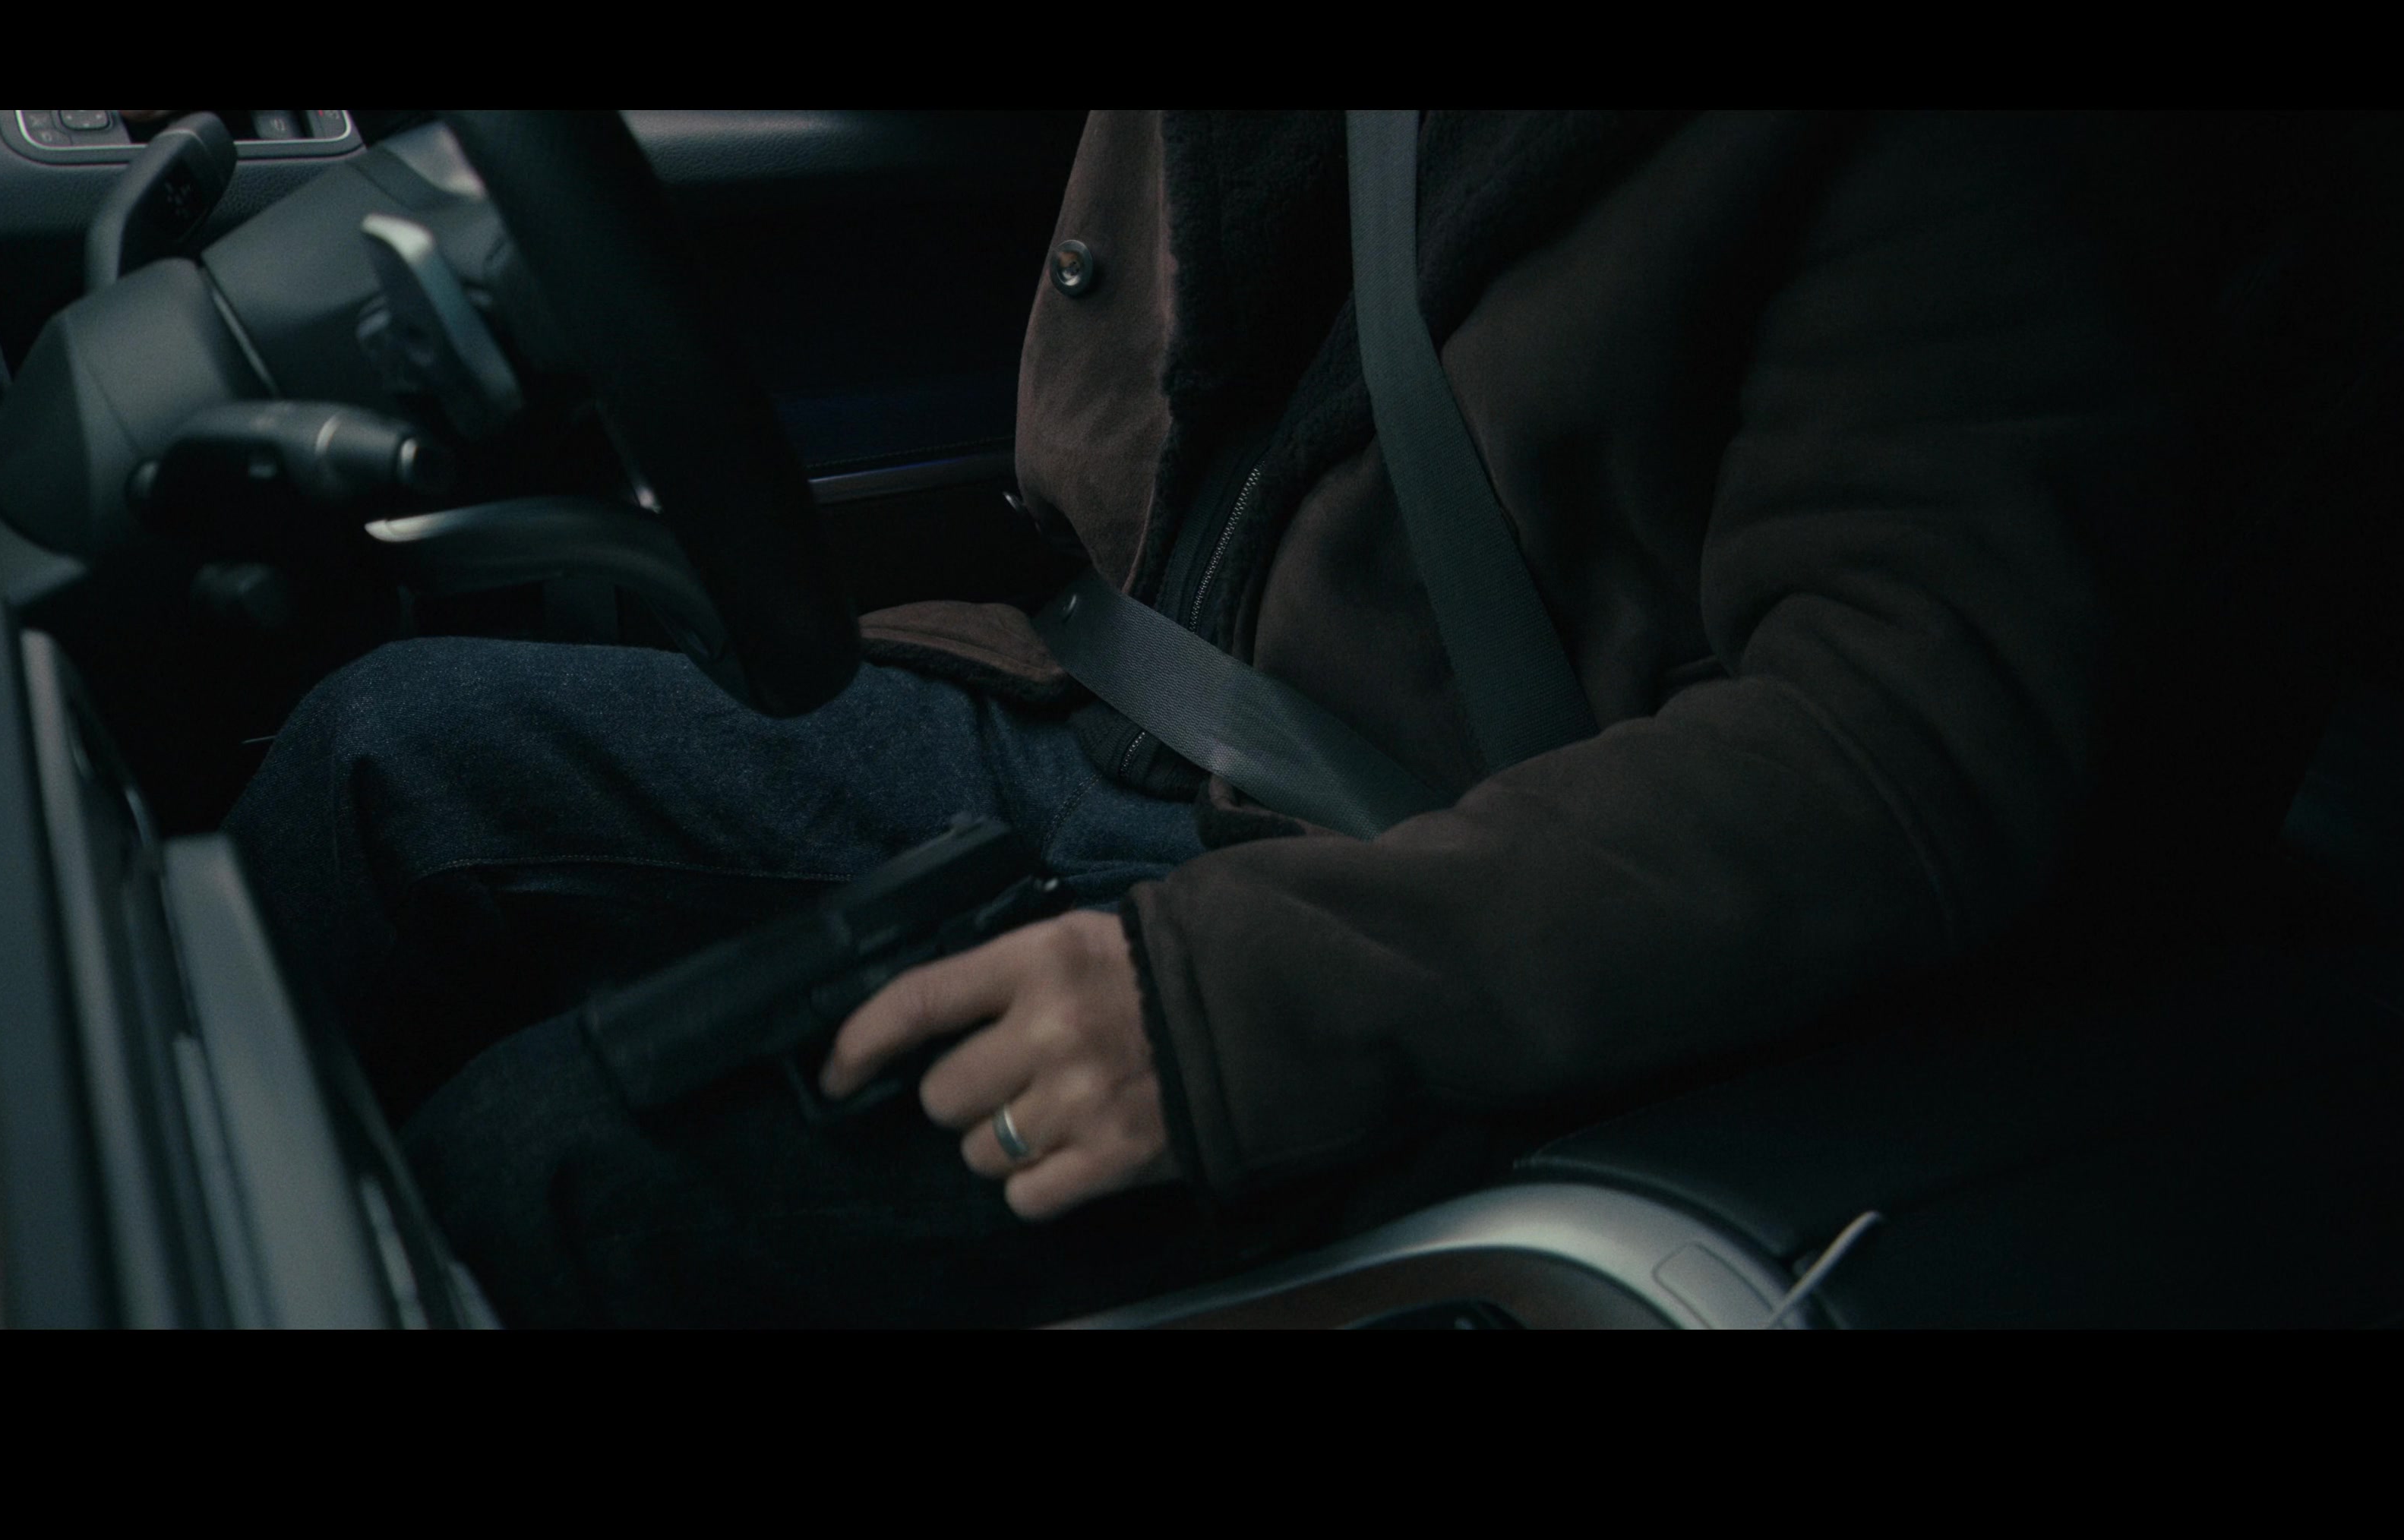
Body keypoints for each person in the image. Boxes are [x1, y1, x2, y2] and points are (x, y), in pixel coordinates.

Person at [226, 110, 2182, 1326]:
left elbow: (1905, 740)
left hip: (1414, 913)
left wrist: (1238, 1005)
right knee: (374, 765)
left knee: (547, 1172)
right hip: (1102, 719)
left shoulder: (1960, 161)